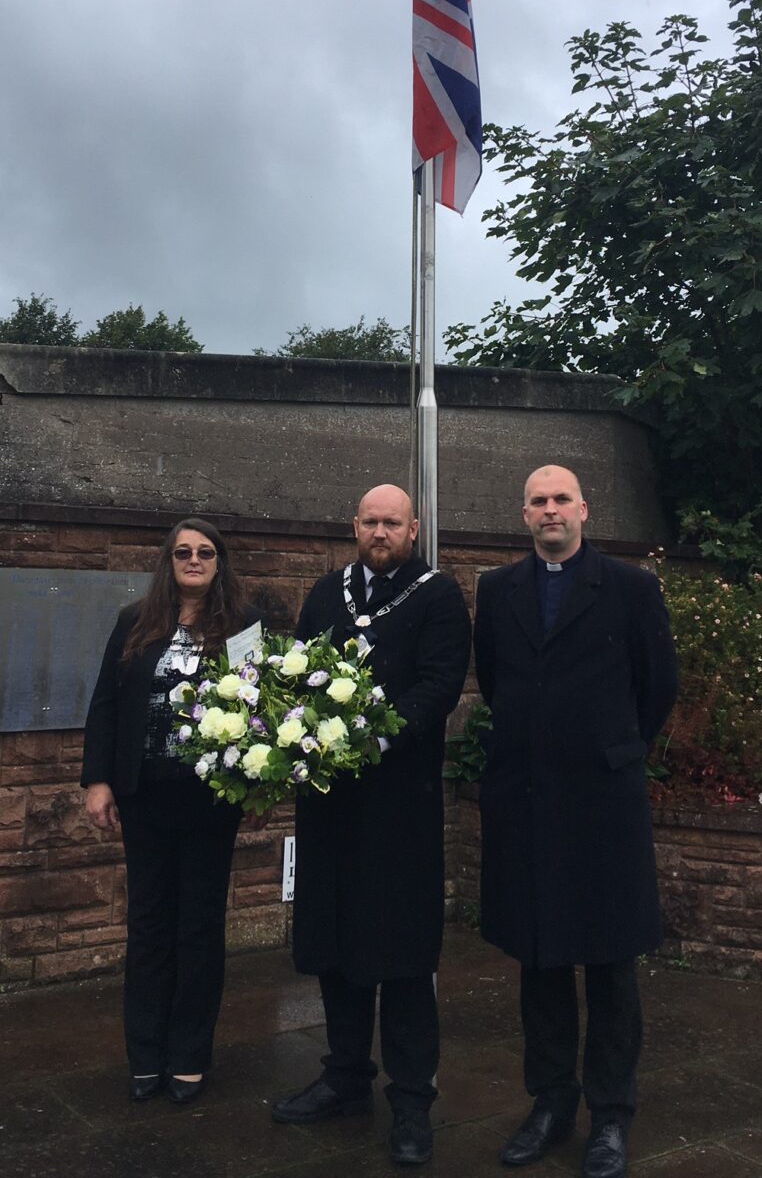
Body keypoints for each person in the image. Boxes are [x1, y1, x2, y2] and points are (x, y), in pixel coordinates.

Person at [473, 466, 678, 1178]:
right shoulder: (497, 592)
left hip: (602, 804)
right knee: (541, 961)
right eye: (538, 501)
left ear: (584, 510)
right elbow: (497, 680)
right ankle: (551, 1103)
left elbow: (658, 686)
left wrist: (612, 748)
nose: (550, 510)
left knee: (612, 966)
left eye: (562, 499)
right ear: (524, 514)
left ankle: (611, 1116)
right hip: (528, 803)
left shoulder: (629, 589)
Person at [272, 484, 471, 1167]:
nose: (380, 532)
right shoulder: (327, 592)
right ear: (353, 525)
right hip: (331, 805)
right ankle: (346, 1079)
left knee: (404, 960)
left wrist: (375, 738)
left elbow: (439, 688)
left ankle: (412, 1101)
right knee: (336, 947)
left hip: (399, 807)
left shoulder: (437, 597)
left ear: (413, 528)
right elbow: (296, 679)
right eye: (369, 521)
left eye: (392, 522)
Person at [81, 518, 261, 1106]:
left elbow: (264, 710)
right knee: (150, 924)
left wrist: (258, 787)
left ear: (219, 563)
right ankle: (146, 1055)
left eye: (205, 552)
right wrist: (98, 780)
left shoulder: (242, 626)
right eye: (182, 551)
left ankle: (189, 1055)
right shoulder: (133, 622)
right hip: (146, 796)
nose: (193, 560)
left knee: (200, 927)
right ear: (168, 560)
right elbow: (106, 703)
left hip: (211, 800)